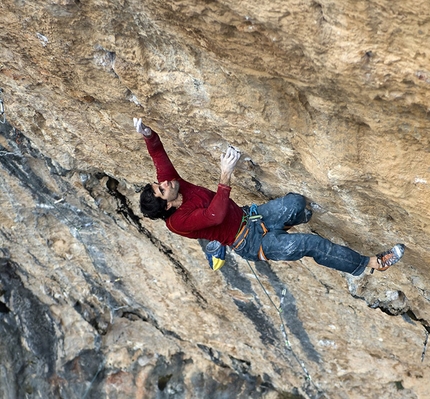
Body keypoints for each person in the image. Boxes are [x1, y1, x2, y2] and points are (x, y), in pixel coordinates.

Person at [134, 118, 405, 275]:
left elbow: (159, 157)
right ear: (166, 204)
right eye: (161, 189)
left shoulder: (174, 187)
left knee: (297, 204)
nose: (165, 182)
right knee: (312, 244)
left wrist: (148, 135)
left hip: (252, 218)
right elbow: (215, 215)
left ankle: (283, 229)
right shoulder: (178, 222)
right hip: (250, 243)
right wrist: (225, 173)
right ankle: (369, 264)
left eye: (159, 184)